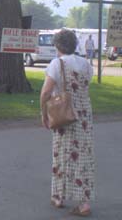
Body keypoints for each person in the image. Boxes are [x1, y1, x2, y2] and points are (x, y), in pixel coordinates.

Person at [40, 29, 94, 217]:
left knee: (61, 154)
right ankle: (82, 201)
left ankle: (59, 196)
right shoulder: (86, 64)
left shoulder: (57, 63)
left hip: (64, 113)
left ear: (57, 45)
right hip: (84, 116)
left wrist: (44, 113)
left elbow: (46, 92)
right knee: (83, 157)